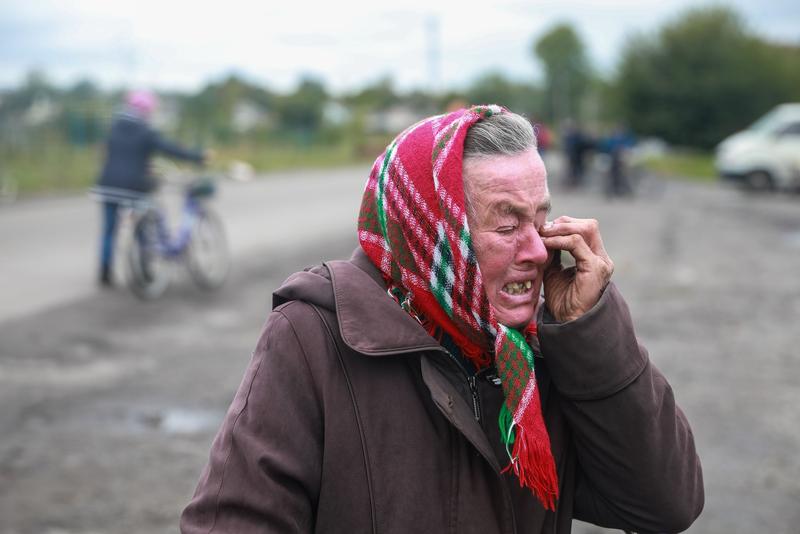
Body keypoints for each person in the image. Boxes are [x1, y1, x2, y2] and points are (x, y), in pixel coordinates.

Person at [181, 105, 703, 533]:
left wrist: (591, 328)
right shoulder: (312, 336)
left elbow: (664, 504)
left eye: (540, 221)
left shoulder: (544, 352)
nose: (538, 252)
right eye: (506, 224)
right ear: (433, 229)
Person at [94, 90, 206, 286]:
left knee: (109, 231)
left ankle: (105, 273)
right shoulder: (145, 130)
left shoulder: (113, 126)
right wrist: (196, 156)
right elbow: (169, 148)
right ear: (146, 110)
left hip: (108, 185)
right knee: (143, 227)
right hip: (134, 186)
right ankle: (144, 270)